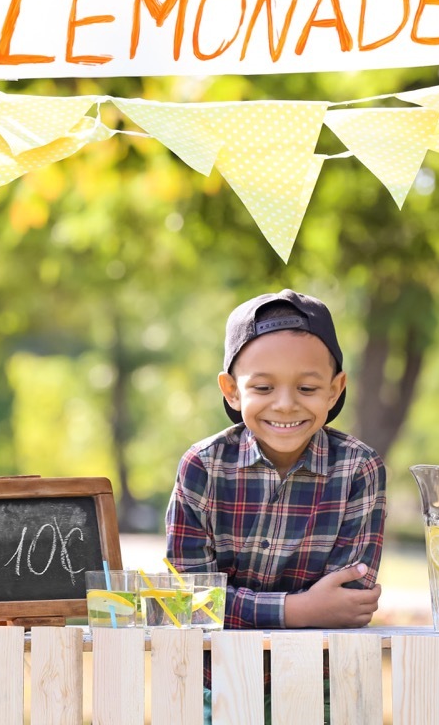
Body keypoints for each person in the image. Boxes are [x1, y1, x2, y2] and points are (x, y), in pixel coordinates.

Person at [165, 289, 386, 723]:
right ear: (231, 391)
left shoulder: (359, 469)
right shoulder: (204, 467)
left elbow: (347, 603)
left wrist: (231, 606)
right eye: (263, 387)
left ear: (334, 389)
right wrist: (297, 609)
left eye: (306, 387)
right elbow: (185, 601)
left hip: (319, 680)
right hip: (220, 679)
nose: (285, 404)